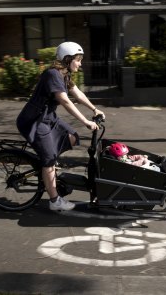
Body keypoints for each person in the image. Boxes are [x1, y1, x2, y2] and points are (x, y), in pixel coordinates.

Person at [16, 41, 105, 211]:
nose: (80, 63)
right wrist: (85, 121)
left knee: (71, 137)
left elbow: (77, 94)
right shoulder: (52, 74)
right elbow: (64, 100)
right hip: (34, 121)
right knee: (49, 160)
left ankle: (47, 164)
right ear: (67, 58)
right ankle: (54, 200)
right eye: (78, 60)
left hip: (48, 118)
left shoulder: (64, 75)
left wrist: (94, 109)